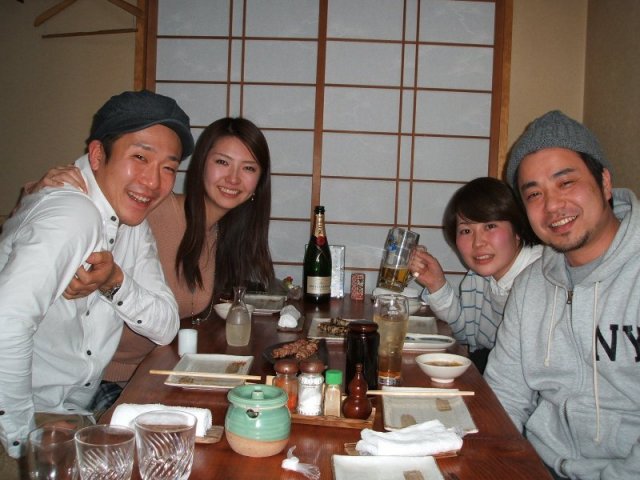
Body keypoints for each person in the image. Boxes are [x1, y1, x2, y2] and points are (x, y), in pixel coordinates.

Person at [0, 90, 193, 474]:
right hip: (22, 418)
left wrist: (114, 280)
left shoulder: (132, 223)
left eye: (168, 168)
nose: (153, 181)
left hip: (72, 413)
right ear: (97, 155)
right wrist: (23, 445)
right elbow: (6, 323)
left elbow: (165, 325)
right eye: (140, 157)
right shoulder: (72, 212)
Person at [30, 117, 276, 410]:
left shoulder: (222, 235)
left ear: (258, 182)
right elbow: (80, 207)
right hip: (100, 380)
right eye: (222, 162)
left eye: (248, 168)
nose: (233, 179)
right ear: (200, 165)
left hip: (158, 371)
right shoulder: (155, 206)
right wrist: (41, 187)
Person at [484, 110, 640, 479]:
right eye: (534, 194)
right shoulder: (531, 286)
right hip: (540, 467)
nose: (552, 206)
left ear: (604, 182)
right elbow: (504, 397)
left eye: (566, 183)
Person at [409, 177, 541, 372]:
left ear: (517, 230)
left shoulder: (543, 277)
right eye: (466, 230)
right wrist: (436, 284)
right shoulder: (478, 277)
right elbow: (465, 334)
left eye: (490, 226)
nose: (478, 242)